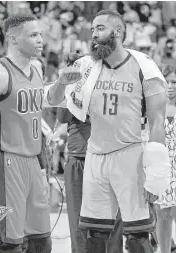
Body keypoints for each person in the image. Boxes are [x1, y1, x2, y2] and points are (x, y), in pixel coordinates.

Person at [46, 9, 170, 253]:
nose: (93, 34)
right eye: (92, 29)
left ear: (118, 31)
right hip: (95, 155)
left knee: (137, 234)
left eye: (100, 28)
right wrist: (62, 81)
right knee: (95, 233)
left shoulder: (144, 66)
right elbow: (52, 98)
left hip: (130, 154)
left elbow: (157, 122)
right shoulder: (85, 66)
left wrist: (156, 174)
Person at [56, 53, 123, 253]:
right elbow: (62, 116)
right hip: (79, 157)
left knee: (112, 223)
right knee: (78, 223)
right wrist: (68, 83)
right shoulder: (74, 86)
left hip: (109, 157)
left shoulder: (115, 84)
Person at [0, 15, 52, 253]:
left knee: (41, 241)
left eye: (40, 34)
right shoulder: (1, 72)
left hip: (34, 160)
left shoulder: (36, 69)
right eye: (33, 35)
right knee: (12, 242)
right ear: (12, 38)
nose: (40, 40)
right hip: (8, 161)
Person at [155, 64, 176, 253]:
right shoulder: (155, 109)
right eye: (167, 81)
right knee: (163, 214)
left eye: (174, 82)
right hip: (160, 166)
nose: (170, 86)